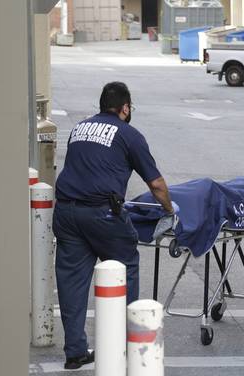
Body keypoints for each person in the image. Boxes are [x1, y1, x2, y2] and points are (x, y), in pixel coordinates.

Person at [53, 81, 174, 369]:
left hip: (67, 213)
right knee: (125, 267)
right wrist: (170, 210)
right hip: (103, 215)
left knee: (72, 282)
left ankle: (75, 352)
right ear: (125, 108)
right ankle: (120, 346)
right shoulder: (129, 134)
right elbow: (156, 184)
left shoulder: (79, 128)